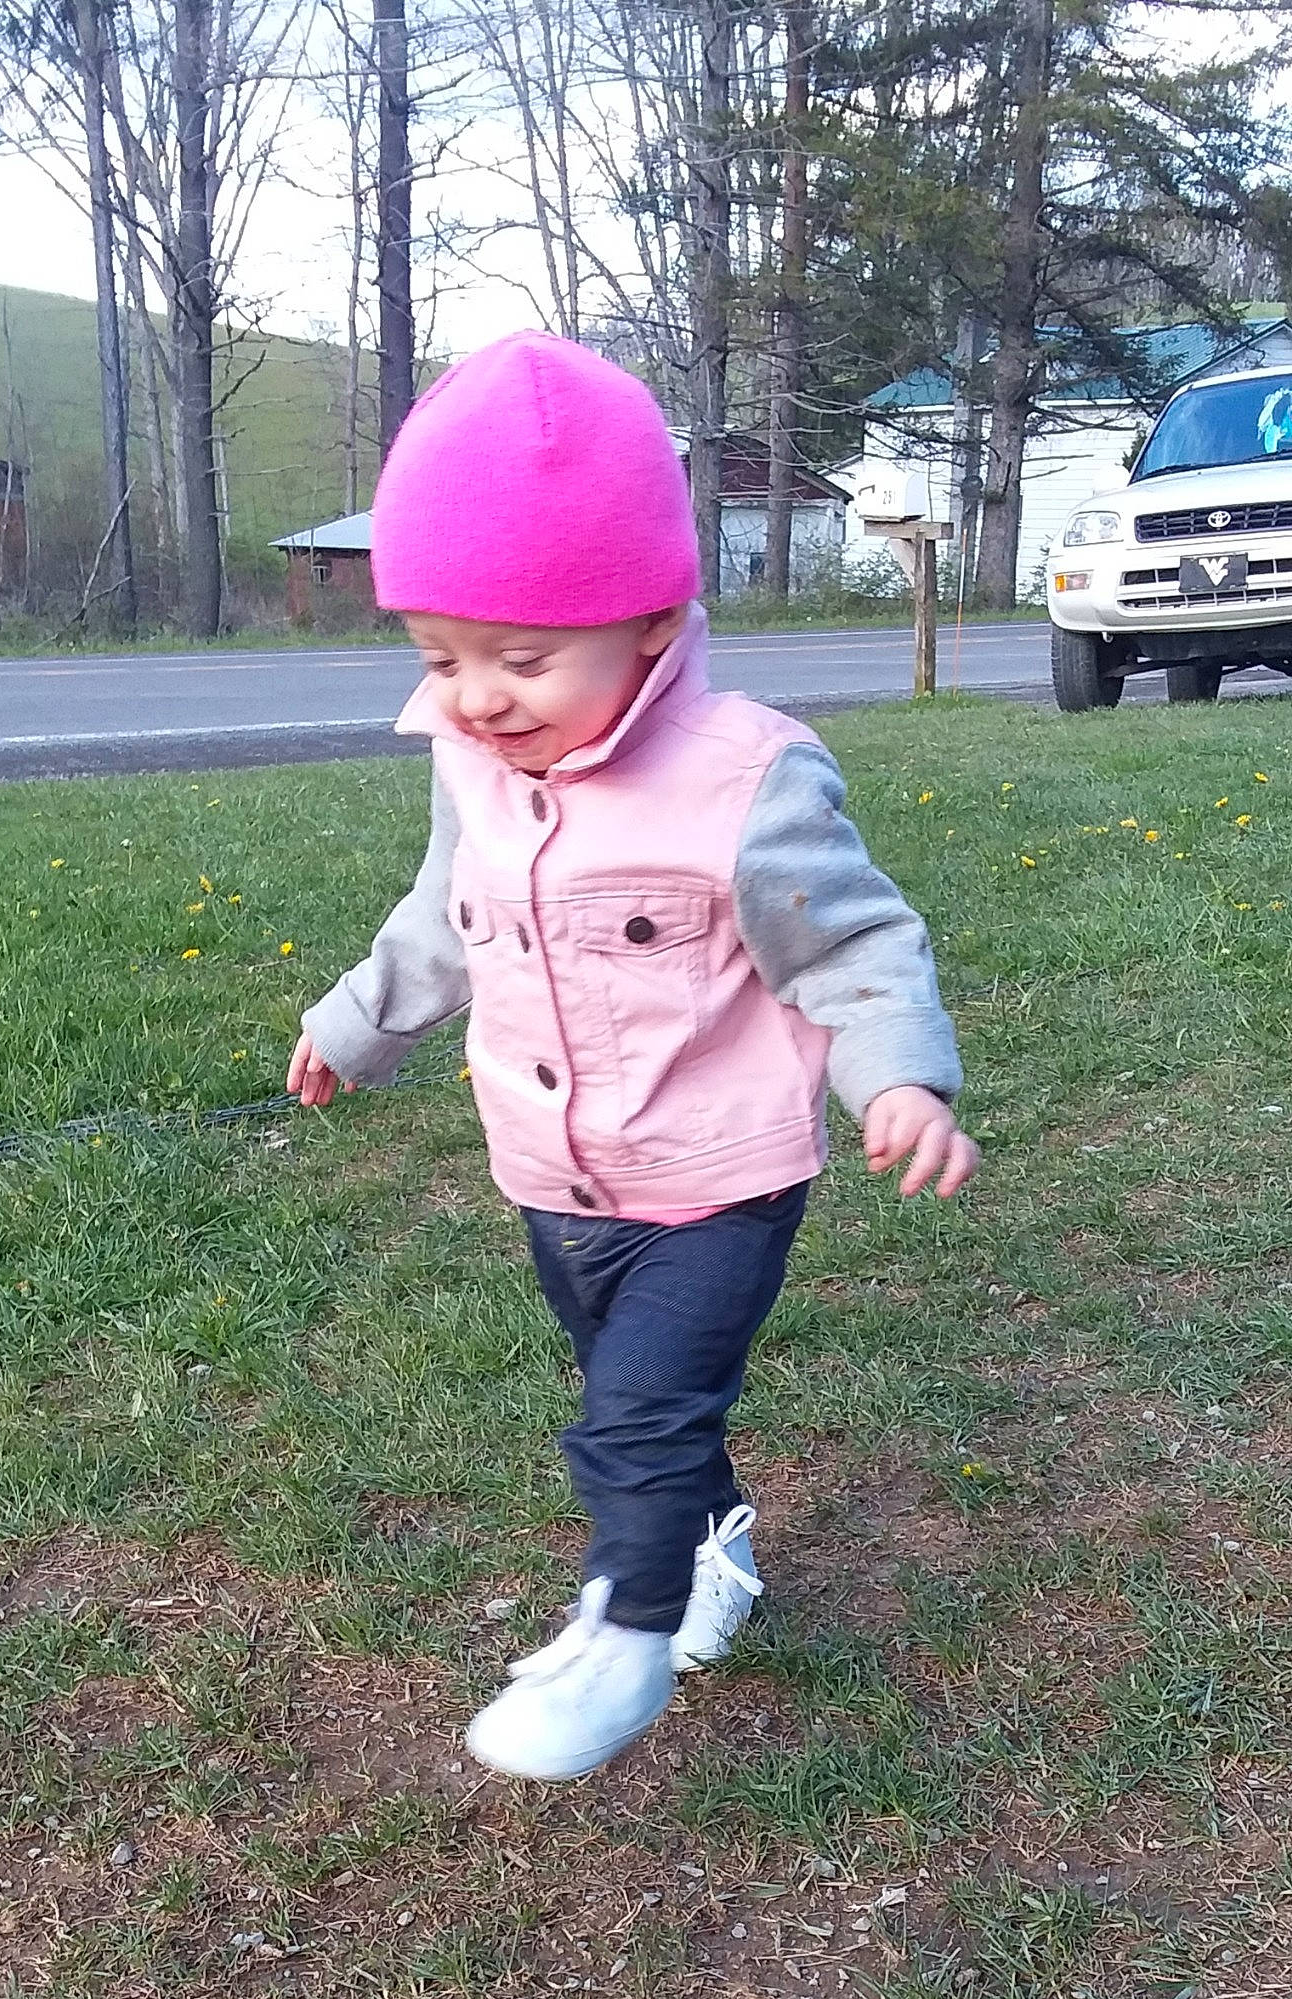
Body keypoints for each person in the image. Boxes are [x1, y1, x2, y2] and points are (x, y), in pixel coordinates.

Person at [288, 331, 979, 1782]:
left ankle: (629, 1627)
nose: (477, 695)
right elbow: (444, 918)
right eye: (442, 657)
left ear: (654, 622)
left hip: (720, 1179)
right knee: (647, 1402)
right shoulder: (475, 765)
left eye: (523, 657)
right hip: (555, 1181)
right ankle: (707, 1548)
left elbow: (851, 944)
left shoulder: (746, 775)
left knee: (640, 1412)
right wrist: (357, 1023)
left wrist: (901, 1074)